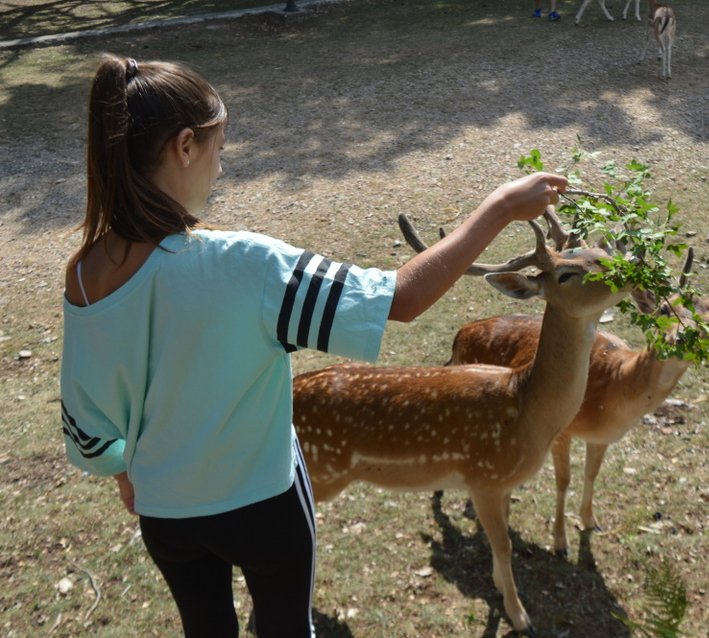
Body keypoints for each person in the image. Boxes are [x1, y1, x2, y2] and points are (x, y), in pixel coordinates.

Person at [59, 53, 567, 638]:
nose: (219, 170)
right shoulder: (243, 265)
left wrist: (129, 474)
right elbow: (397, 300)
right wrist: (499, 207)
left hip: (165, 516)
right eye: (219, 151)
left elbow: (88, 425)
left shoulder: (84, 276)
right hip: (263, 507)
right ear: (184, 147)